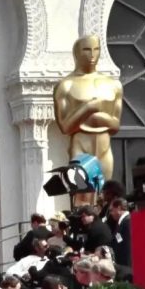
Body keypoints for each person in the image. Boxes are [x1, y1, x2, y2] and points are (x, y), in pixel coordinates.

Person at [52, 35, 123, 181]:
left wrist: (100, 117)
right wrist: (88, 108)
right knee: (82, 195)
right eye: (86, 50)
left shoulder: (113, 85)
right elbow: (65, 127)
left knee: (104, 192)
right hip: (80, 143)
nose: (92, 55)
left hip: (104, 144)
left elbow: (115, 126)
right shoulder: (66, 85)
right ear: (76, 53)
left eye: (96, 49)